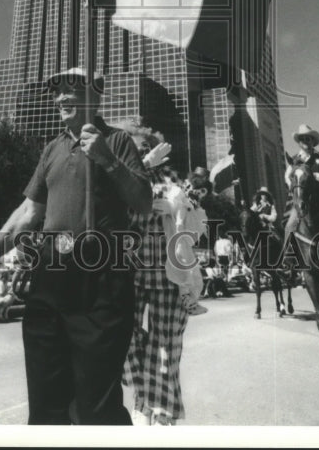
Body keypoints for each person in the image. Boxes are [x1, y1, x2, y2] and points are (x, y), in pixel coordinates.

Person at [0, 67, 152, 426]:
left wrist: (106, 158)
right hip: (51, 278)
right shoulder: (53, 148)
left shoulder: (118, 142)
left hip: (102, 280)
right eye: (57, 90)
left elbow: (143, 202)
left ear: (95, 95)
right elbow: (28, 213)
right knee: (46, 406)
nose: (61, 97)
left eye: (71, 89)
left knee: (96, 408)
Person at [122, 131, 208, 426]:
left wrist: (179, 205)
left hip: (169, 276)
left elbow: (190, 218)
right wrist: (141, 166)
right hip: (130, 276)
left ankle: (159, 411)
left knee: (166, 345)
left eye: (148, 145)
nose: (146, 150)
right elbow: (111, 202)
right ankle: (145, 396)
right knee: (122, 337)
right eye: (138, 147)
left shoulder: (172, 178)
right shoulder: (122, 175)